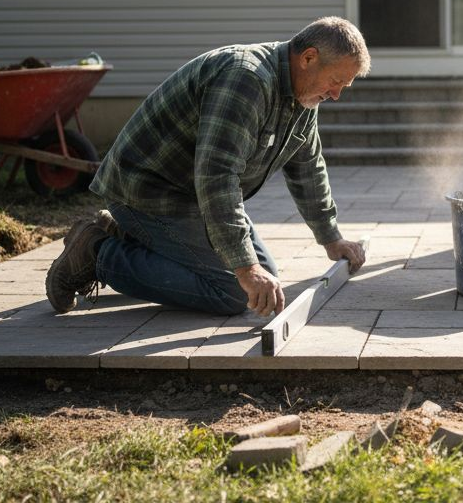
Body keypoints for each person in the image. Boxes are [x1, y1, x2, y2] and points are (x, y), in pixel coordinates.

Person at [45, 17, 371, 316]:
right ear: (309, 58)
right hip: (147, 192)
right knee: (234, 291)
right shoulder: (247, 79)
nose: (337, 94)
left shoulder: (303, 93)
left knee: (264, 278)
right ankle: (97, 253)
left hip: (192, 196)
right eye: (336, 81)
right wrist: (244, 269)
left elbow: (307, 167)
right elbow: (217, 177)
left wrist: (331, 238)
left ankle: (129, 237)